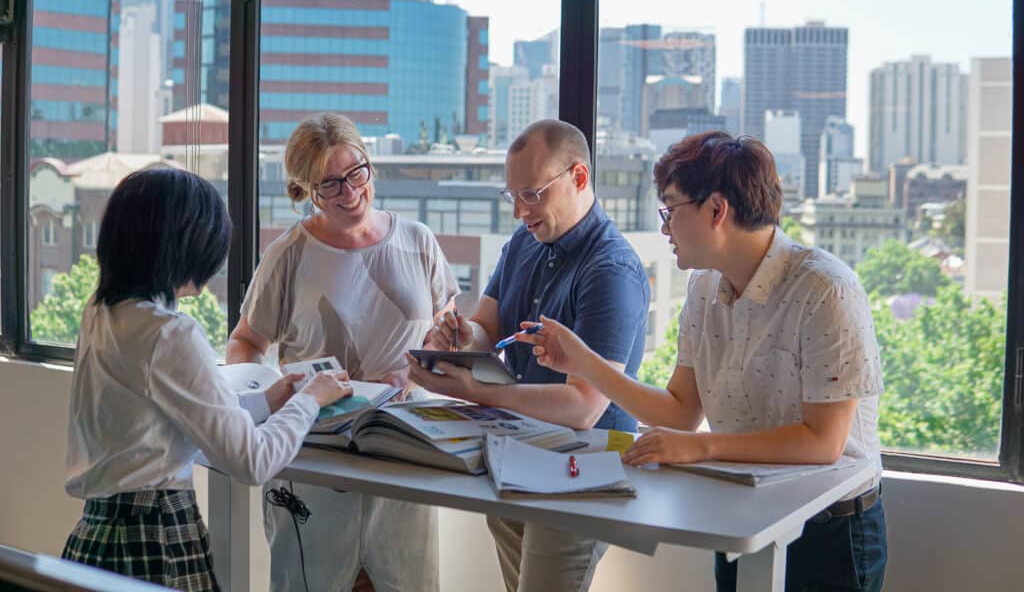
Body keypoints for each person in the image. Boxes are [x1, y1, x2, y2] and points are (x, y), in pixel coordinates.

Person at [517, 131, 888, 592]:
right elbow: (680, 409)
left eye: (670, 210)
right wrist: (585, 363)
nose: (664, 228)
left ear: (717, 210)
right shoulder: (704, 287)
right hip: (745, 508)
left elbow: (822, 442)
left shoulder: (826, 289)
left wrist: (701, 447)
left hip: (829, 529)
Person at [62, 168, 352, 592]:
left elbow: (156, 425)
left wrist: (267, 403)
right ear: (183, 246)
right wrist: (310, 399)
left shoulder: (101, 315)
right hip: (156, 539)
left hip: (97, 535)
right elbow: (252, 463)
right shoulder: (170, 333)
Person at [409, 119, 650, 592]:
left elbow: (583, 408)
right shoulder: (525, 241)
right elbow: (489, 332)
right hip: (517, 454)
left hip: (583, 467)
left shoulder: (612, 269)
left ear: (579, 178)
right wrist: (461, 335)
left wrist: (478, 392)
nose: (520, 210)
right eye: (512, 196)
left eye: (533, 193)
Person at [225, 113, 458, 592]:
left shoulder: (418, 241)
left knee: (402, 580)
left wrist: (434, 355)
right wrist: (267, 402)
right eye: (330, 184)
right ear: (305, 190)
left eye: (357, 174)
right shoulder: (288, 253)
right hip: (315, 449)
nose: (350, 192)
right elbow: (246, 342)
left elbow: (443, 327)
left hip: (401, 446)